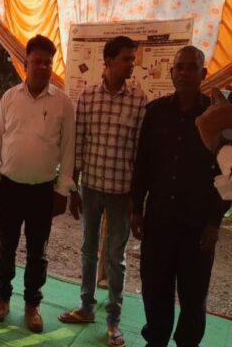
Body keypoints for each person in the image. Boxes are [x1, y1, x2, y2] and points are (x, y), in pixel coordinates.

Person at [131, 46, 230, 347]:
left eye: (191, 67)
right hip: (159, 220)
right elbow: (142, 162)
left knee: (193, 295)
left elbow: (228, 174)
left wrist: (214, 222)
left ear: (203, 73)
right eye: (179, 67)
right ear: (172, 73)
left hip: (197, 226)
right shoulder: (155, 112)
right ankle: (156, 340)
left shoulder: (217, 116)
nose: (184, 73)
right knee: (155, 288)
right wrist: (136, 208)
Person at [0, 34, 76, 333]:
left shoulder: (62, 103)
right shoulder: (9, 98)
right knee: (6, 245)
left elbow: (68, 150)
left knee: (38, 250)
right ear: (25, 64)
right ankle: (2, 297)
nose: (43, 67)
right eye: (37, 61)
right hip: (10, 187)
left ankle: (32, 304)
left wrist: (62, 190)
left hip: (42, 190)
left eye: (48, 62)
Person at [59, 36, 146, 347]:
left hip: (122, 192)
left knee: (115, 257)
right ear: (108, 61)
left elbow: (140, 153)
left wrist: (137, 199)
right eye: (126, 59)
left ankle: (113, 321)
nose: (131, 64)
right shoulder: (87, 97)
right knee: (87, 249)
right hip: (91, 188)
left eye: (132, 59)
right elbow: (79, 144)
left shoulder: (139, 100)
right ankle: (86, 307)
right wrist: (73, 188)